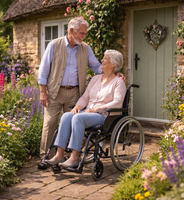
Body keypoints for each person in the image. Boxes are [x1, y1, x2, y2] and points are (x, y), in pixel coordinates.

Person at [37, 17, 125, 169]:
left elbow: (98, 66)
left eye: (85, 34)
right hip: (54, 91)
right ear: (71, 30)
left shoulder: (86, 49)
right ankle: (48, 157)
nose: (84, 37)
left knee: (75, 121)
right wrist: (43, 92)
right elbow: (43, 70)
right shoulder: (54, 45)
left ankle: (71, 156)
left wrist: (117, 73)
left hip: (74, 92)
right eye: (82, 33)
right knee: (50, 123)